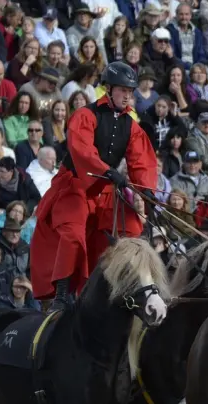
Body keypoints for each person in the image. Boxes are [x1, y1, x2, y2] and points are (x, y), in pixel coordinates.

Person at [30, 62, 157, 310]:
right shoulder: (85, 115)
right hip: (75, 184)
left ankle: (135, 291)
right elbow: (82, 151)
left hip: (105, 189)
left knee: (132, 229)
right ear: (108, 90)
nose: (128, 96)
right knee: (74, 234)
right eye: (123, 90)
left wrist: (147, 192)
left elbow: (141, 161)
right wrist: (108, 171)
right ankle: (62, 294)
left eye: (131, 91)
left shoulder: (131, 125)